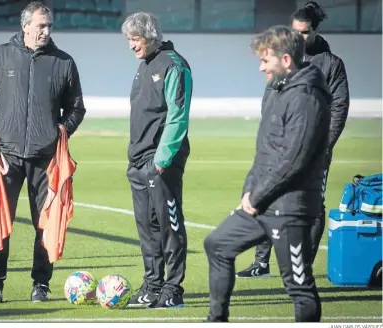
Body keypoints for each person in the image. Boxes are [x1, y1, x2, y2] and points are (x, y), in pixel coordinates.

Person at [204, 25, 330, 322]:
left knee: (299, 287)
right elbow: (265, 150)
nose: (261, 67)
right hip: (262, 205)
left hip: (290, 209)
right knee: (217, 244)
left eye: (265, 60)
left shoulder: (307, 97)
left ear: (286, 60)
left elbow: (294, 159)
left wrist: (258, 195)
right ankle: (215, 320)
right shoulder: (276, 90)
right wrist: (249, 191)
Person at [0, 1, 86, 304]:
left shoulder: (63, 62)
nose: (46, 31)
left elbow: (77, 107)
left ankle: (41, 284)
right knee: (0, 219)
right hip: (6, 156)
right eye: (40, 26)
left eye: (49, 26)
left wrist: (61, 131)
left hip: (46, 158)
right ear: (25, 26)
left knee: (45, 223)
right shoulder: (0, 56)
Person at [236, 1, 350, 279]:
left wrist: (323, 146)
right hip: (276, 150)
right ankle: (261, 263)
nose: (299, 37)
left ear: (315, 30)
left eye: (305, 32)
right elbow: (269, 100)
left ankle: (303, 269)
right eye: (295, 31)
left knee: (311, 206)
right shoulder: (283, 59)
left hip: (314, 152)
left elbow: (339, 108)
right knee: (263, 198)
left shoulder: (331, 65)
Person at [122, 12, 193, 309]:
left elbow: (178, 118)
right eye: (129, 40)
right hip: (138, 161)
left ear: (150, 36)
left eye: (135, 40)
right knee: (147, 228)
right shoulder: (144, 66)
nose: (131, 47)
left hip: (160, 161)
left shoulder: (174, 65)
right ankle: (152, 285)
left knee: (168, 226)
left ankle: (173, 288)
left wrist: (161, 161)